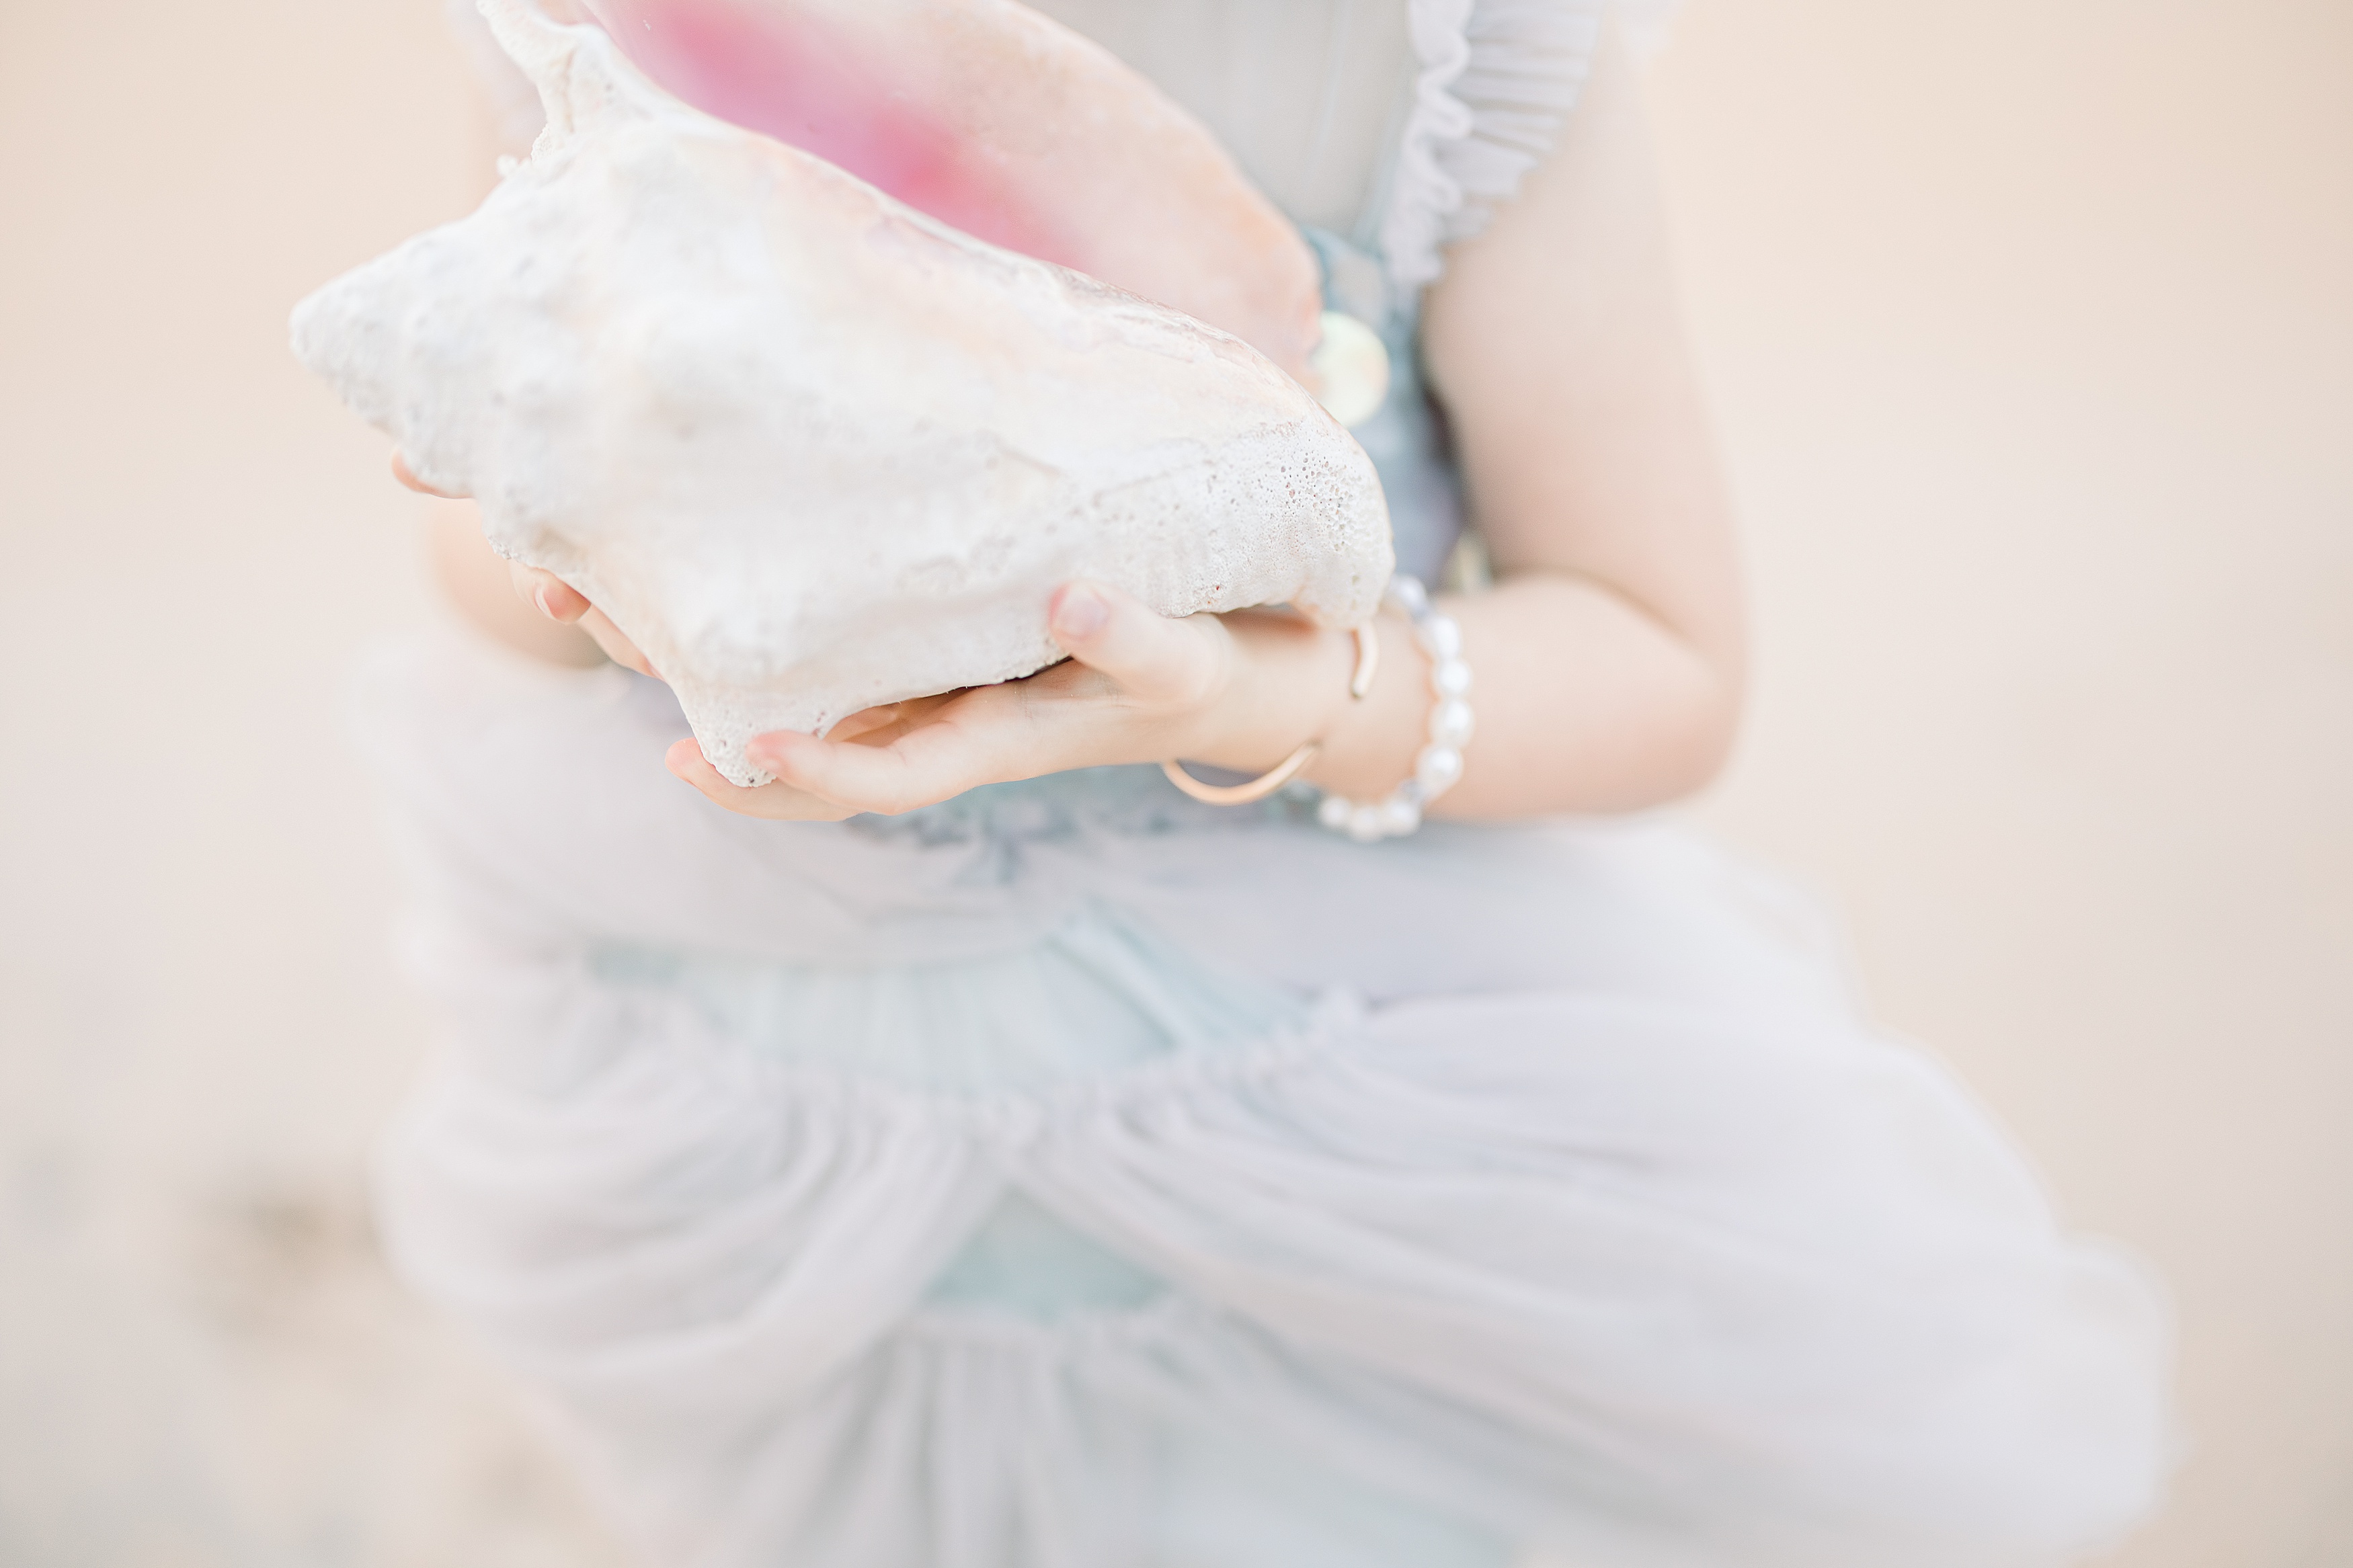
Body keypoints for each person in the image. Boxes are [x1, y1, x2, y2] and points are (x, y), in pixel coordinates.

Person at [361, 2, 2171, 1564]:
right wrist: (599, 584)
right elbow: (482, 499)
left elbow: (1658, 652)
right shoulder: (614, 22)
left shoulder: (1443, 58)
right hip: (753, 1124)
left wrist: (1243, 690)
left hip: (1318, 1143)